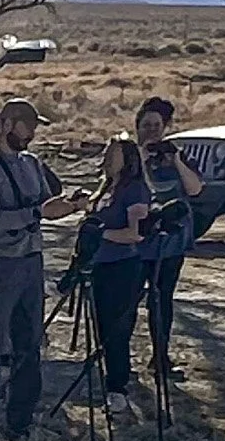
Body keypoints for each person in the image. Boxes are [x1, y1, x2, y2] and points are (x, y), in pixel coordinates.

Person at [0, 99, 77, 441]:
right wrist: (35, 214)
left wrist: (70, 205)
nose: (33, 133)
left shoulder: (32, 163)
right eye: (29, 125)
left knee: (30, 344)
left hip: (32, 261)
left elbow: (46, 206)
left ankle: (20, 422)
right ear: (9, 124)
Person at [134, 98, 203, 381]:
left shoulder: (179, 155)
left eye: (156, 126)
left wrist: (174, 159)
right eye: (146, 126)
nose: (151, 131)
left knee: (162, 301)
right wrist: (140, 157)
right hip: (136, 241)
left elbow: (196, 189)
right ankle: (118, 360)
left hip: (170, 244)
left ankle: (160, 357)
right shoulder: (129, 156)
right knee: (127, 300)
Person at [85, 134, 153, 416]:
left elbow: (135, 233)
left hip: (123, 268)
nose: (107, 158)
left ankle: (118, 387)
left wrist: (102, 235)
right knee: (102, 326)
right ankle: (107, 376)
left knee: (117, 329)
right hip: (100, 266)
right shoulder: (106, 188)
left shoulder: (134, 190)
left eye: (113, 154)